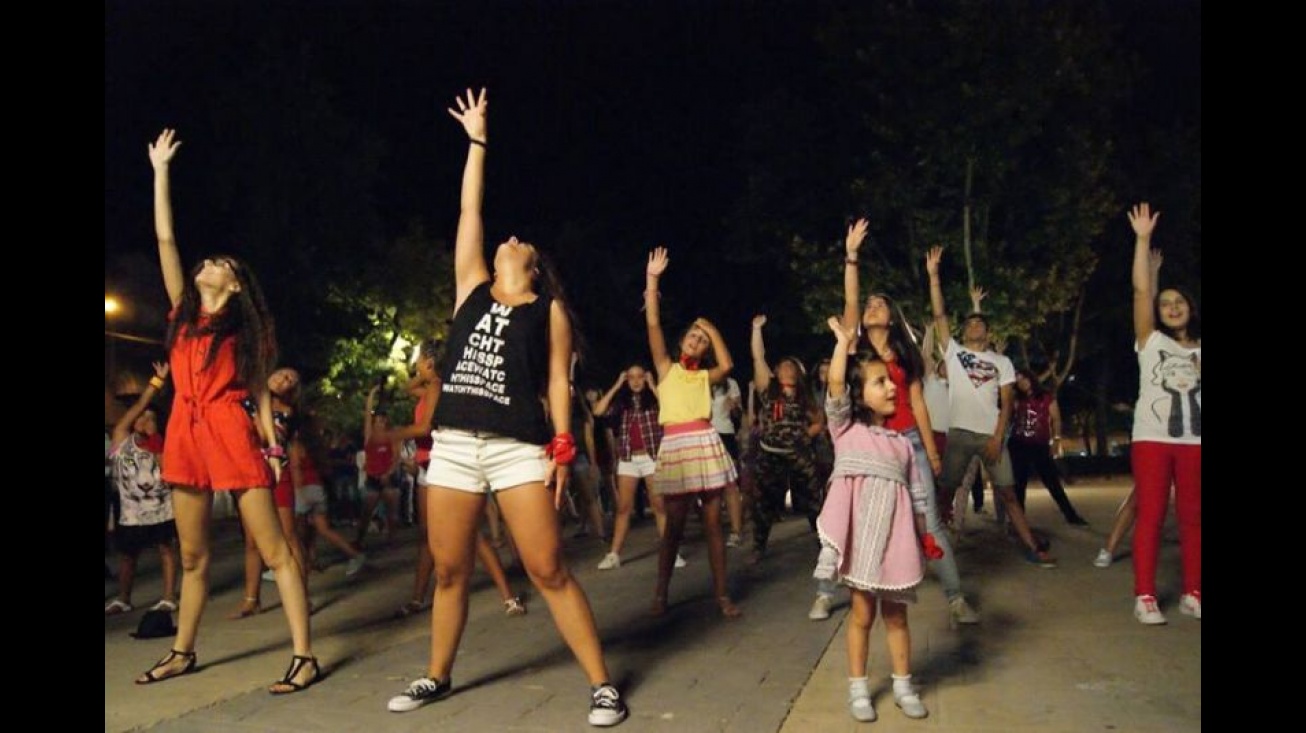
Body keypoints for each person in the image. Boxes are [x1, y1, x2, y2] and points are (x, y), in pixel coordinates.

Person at [385, 89, 625, 726]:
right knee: (449, 570)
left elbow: (555, 383)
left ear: (534, 266)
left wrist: (564, 448)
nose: (509, 238)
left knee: (547, 568)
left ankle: (602, 685)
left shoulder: (548, 312)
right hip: (457, 445)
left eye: (520, 241)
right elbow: (470, 208)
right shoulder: (469, 288)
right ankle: (437, 676)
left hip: (519, 447)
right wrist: (477, 141)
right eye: (505, 237)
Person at [136, 128, 317, 693]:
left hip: (230, 428)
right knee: (193, 555)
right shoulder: (183, 316)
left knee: (274, 550)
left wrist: (271, 446)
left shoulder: (245, 332)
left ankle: (304, 656)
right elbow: (166, 240)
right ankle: (182, 651)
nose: (203, 265)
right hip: (185, 430)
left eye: (215, 263)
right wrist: (161, 171)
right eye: (204, 261)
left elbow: (260, 393)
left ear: (234, 284)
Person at [811, 219, 979, 626]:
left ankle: (956, 598)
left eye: (879, 304)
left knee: (931, 521)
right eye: (868, 304)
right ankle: (823, 593)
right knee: (848, 518)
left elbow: (918, 405)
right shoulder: (854, 351)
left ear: (891, 316)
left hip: (908, 443)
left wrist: (933, 456)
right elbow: (850, 303)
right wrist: (851, 256)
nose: (871, 307)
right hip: (865, 447)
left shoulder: (905, 357)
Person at [814, 317, 935, 722]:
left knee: (897, 616)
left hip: (897, 541)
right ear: (859, 396)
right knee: (862, 616)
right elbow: (835, 386)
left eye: (890, 381)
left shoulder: (901, 444)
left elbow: (918, 496)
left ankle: (903, 684)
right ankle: (859, 690)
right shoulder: (845, 430)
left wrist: (926, 535)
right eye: (880, 382)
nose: (890, 387)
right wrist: (842, 346)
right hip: (864, 543)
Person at [926, 245, 1056, 567]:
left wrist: (998, 436)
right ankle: (931, 544)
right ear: (962, 332)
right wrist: (933, 277)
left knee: (1009, 493)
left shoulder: (1002, 361)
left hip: (990, 436)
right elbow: (940, 315)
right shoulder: (954, 353)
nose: (973, 326)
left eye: (979, 323)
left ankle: (1030, 545)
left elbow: (1008, 401)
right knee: (946, 492)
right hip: (958, 435)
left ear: (987, 331)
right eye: (968, 323)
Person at [643, 247, 741, 618]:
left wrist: (711, 328)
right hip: (677, 445)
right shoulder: (666, 368)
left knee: (715, 523)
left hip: (704, 442)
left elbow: (728, 364)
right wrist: (652, 281)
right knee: (675, 527)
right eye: (693, 336)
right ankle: (660, 593)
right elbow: (653, 325)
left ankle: (721, 595)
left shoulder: (704, 375)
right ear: (682, 340)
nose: (696, 341)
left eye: (702, 340)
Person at [1125, 202, 1200, 625]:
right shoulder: (1150, 340)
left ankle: (1194, 592)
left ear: (1191, 307)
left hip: (1196, 441)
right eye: (1165, 302)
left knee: (1194, 518)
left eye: (1179, 302)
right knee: (1151, 515)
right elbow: (1141, 293)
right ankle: (1146, 596)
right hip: (1153, 437)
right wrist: (1142, 239)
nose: (1171, 307)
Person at [749, 314, 823, 564]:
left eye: (792, 367)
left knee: (813, 498)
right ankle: (759, 546)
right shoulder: (768, 391)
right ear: (777, 371)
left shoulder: (804, 396)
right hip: (770, 453)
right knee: (762, 502)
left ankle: (824, 541)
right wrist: (756, 330)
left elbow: (818, 421)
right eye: (783, 366)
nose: (787, 369)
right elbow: (758, 358)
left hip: (799, 454)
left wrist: (805, 435)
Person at [105, 361, 178, 615]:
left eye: (151, 417)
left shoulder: (160, 444)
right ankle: (123, 599)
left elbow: (167, 473)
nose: (146, 419)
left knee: (166, 549)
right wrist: (155, 384)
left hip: (160, 508)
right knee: (128, 555)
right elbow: (138, 406)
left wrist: (156, 438)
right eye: (142, 416)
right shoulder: (121, 438)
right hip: (131, 511)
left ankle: (168, 597)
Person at [592, 366, 667, 570]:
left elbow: (669, 407)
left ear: (646, 377)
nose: (636, 381)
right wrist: (617, 385)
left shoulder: (653, 401)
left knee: (659, 506)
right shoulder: (622, 403)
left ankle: (671, 553)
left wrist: (652, 385)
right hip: (628, 460)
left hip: (651, 458)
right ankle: (614, 554)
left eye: (640, 377)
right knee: (624, 508)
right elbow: (598, 411)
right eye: (631, 378)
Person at [1010, 368, 1088, 525]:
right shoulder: (1017, 399)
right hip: (1019, 445)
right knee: (1019, 484)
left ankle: (1071, 515)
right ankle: (1018, 521)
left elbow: (1056, 419)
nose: (1022, 383)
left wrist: (1056, 439)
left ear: (1030, 378)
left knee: (1052, 482)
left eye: (1023, 378)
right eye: (1018, 381)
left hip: (1040, 444)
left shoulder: (1046, 397)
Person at [711, 376, 747, 548]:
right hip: (702, 434)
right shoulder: (695, 379)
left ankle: (736, 531)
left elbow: (736, 409)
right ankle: (712, 529)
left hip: (724, 433)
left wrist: (734, 405)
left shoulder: (730, 383)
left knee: (730, 485)